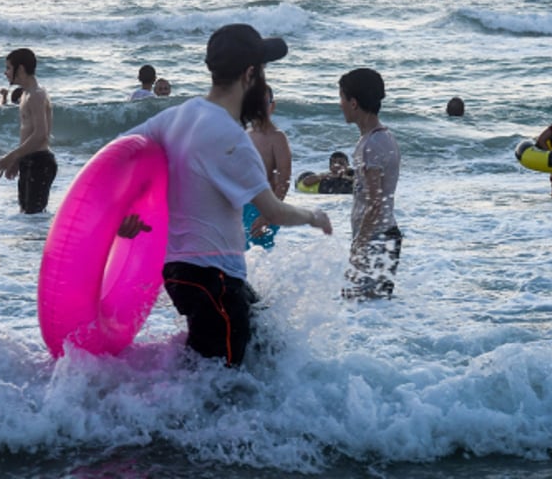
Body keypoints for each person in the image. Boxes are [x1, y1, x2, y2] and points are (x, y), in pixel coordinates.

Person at [117, 23, 332, 367]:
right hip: (212, 279)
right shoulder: (232, 139)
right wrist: (312, 216)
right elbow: (274, 212)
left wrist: (127, 210)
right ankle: (163, 418)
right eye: (262, 71)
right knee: (223, 381)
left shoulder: (177, 115)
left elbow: (119, 154)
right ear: (250, 75)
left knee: (264, 341)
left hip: (181, 273)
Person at [339, 68, 402, 299]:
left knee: (358, 304)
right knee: (371, 310)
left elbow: (375, 203)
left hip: (376, 239)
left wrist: (359, 245)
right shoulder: (384, 137)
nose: (340, 105)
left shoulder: (370, 145)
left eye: (341, 98)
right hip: (383, 236)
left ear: (353, 103)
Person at [0, 48, 56, 214]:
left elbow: (40, 134)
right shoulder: (26, 94)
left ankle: (39, 240)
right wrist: (18, 160)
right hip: (30, 160)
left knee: (33, 216)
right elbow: (29, 134)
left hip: (40, 162)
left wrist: (11, 156)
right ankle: (31, 241)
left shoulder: (37, 94)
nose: (5, 72)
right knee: (26, 215)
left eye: (8, 68)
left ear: (20, 69)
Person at [243, 86, 292, 249]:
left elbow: (284, 180)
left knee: (259, 257)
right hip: (241, 208)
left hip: (263, 210)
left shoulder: (277, 137)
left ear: (272, 106)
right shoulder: (245, 135)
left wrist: (268, 216)